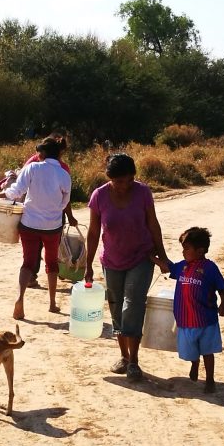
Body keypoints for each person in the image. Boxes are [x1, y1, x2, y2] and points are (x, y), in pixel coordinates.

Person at [85, 153, 170, 382]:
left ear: (134, 176)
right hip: (111, 261)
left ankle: (134, 361)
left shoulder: (142, 193)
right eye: (117, 181)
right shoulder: (99, 196)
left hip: (141, 257)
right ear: (109, 178)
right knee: (116, 309)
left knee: (132, 305)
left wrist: (162, 256)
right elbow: (93, 233)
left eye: (127, 180)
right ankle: (123, 356)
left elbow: (153, 224)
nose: (123, 186)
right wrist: (88, 265)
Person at [0, 138, 77, 320]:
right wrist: (52, 211)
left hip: (29, 224)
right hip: (52, 226)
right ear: (59, 153)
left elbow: (16, 191)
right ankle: (52, 304)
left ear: (42, 154)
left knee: (27, 263)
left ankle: (20, 300)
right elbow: (64, 202)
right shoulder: (64, 175)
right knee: (51, 263)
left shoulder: (32, 168)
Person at [164, 227, 224, 394]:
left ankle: (210, 380)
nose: (183, 252)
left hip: (206, 320)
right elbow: (168, 267)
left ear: (200, 251)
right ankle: (194, 362)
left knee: (207, 351)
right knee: (190, 350)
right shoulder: (182, 267)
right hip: (185, 321)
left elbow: (223, 289)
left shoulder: (210, 268)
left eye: (187, 249)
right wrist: (152, 257)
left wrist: (223, 305)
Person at [21, 133, 72, 288]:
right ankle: (52, 299)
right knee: (52, 255)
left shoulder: (32, 163)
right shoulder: (63, 169)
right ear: (59, 152)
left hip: (30, 217)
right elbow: (66, 199)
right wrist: (64, 212)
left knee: (31, 254)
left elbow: (20, 187)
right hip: (53, 219)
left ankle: (29, 277)